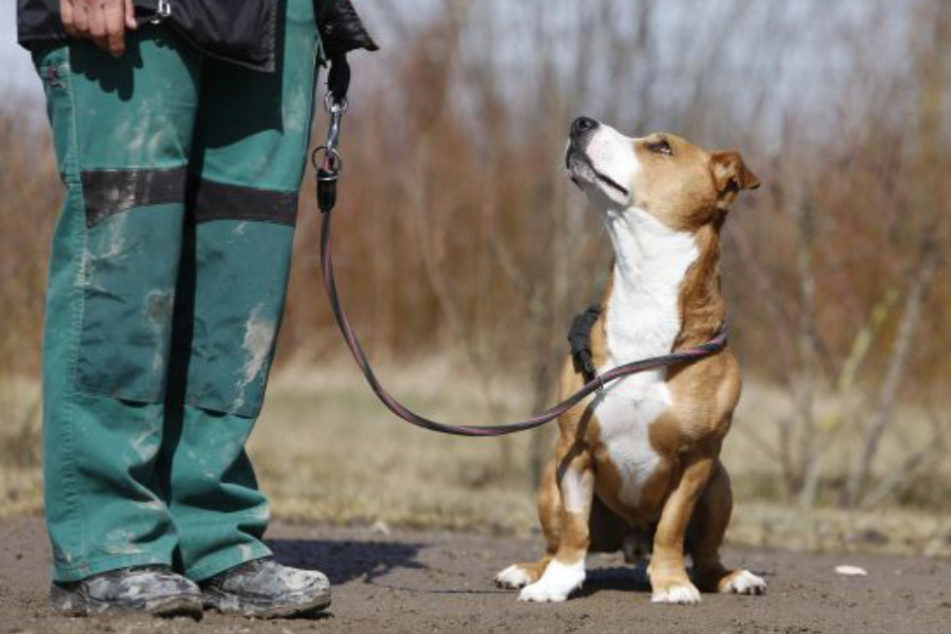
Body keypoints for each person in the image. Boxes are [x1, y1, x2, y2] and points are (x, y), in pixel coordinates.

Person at [16, 0, 376, 619]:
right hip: (136, 17)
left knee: (240, 278)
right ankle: (106, 542)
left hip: (273, 20)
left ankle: (212, 535)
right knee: (127, 264)